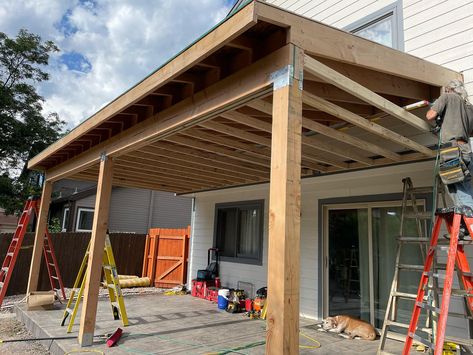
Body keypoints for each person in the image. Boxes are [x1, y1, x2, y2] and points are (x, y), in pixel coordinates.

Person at [426, 80, 473, 209]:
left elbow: (430, 116)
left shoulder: (447, 96)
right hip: (466, 150)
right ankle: (464, 223)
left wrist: (437, 106)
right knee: (463, 185)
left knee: (459, 188)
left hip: (452, 151)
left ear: (448, 89)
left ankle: (469, 220)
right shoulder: (469, 107)